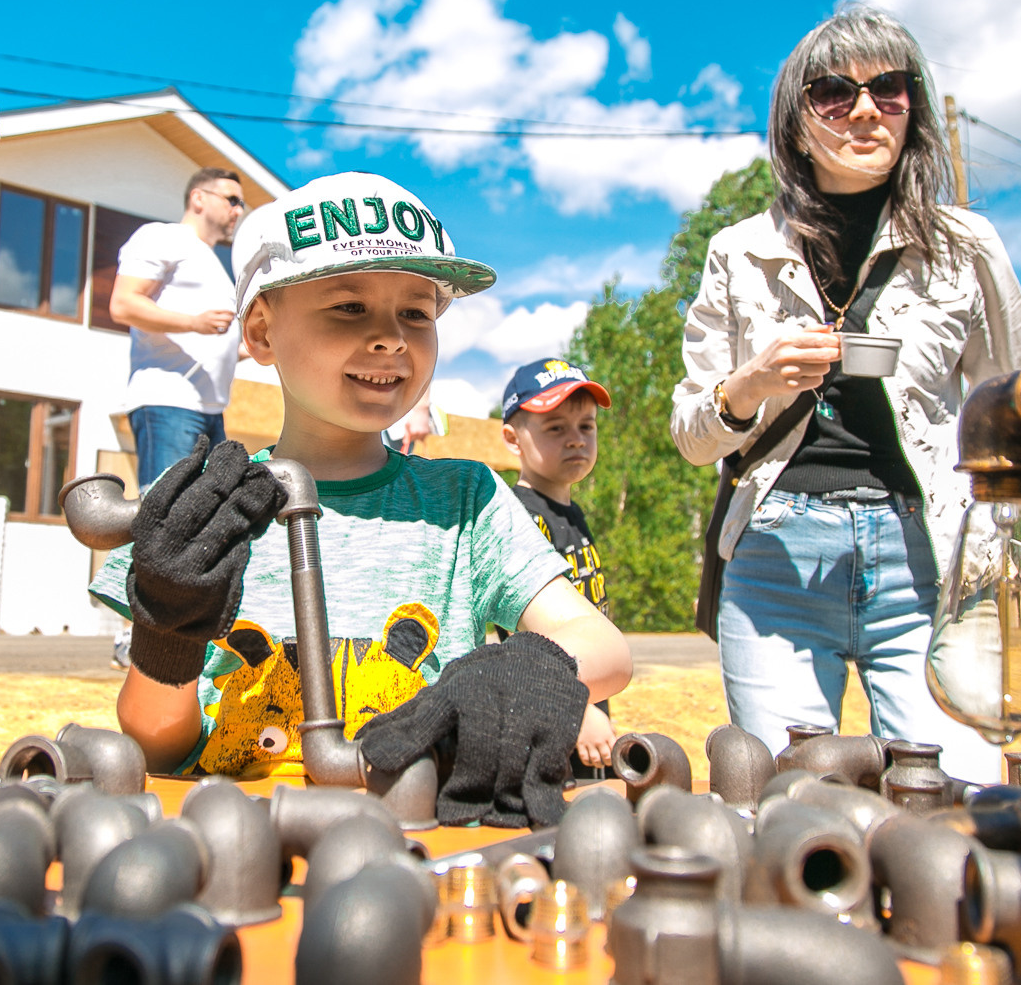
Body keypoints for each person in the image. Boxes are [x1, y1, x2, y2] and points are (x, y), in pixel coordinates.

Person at [671, 6, 1021, 779]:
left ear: (912, 109)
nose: (864, 108)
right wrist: (751, 383)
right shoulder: (738, 251)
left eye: (889, 88)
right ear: (795, 124)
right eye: (833, 92)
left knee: (956, 796)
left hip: (926, 554)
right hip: (776, 559)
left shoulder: (965, 246)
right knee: (790, 805)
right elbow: (692, 435)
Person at [89, 171, 631, 826]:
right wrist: (169, 631)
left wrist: (517, 668)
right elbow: (154, 741)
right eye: (349, 306)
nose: (390, 338)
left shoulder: (465, 499)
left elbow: (605, 647)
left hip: (419, 842)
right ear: (259, 332)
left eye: (416, 312)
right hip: (239, 839)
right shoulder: (208, 509)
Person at [499, 357, 616, 774]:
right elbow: (517, 637)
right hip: (545, 716)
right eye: (555, 428)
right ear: (513, 440)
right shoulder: (519, 517)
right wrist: (577, 708)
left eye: (586, 426)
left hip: (586, 703)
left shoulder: (571, 513)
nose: (576, 440)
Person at [109, 168, 247, 487]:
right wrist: (194, 323)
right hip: (169, 402)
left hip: (212, 410)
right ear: (198, 198)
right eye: (231, 200)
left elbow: (216, 345)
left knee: (207, 519)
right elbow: (123, 303)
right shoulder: (163, 237)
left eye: (241, 204)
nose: (238, 210)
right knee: (168, 515)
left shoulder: (214, 264)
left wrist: (255, 349)